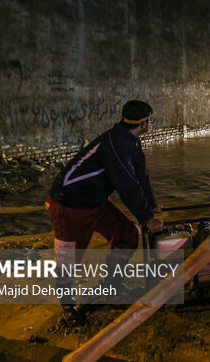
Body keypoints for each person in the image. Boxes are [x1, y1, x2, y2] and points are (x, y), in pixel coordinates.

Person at [46, 100, 164, 320]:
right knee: (70, 257)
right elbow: (127, 184)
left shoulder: (131, 141)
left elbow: (141, 175)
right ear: (145, 123)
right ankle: (68, 306)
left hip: (94, 198)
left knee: (127, 234)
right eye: (149, 120)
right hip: (70, 202)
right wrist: (147, 219)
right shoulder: (117, 143)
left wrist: (150, 204)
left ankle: (110, 286)